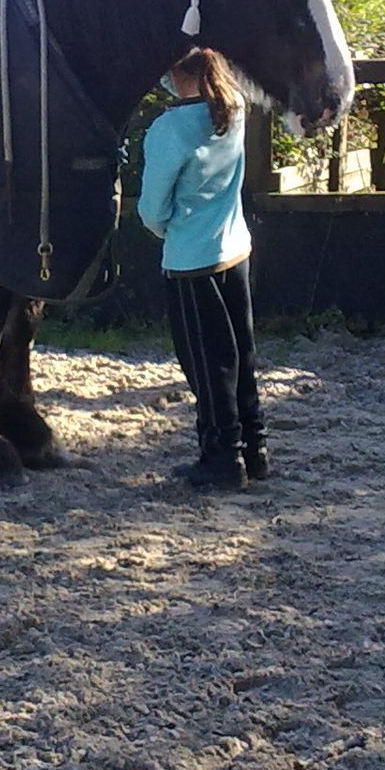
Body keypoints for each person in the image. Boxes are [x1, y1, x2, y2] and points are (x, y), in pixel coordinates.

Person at [137, 48, 268, 491]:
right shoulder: (234, 109)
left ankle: (222, 457)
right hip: (235, 246)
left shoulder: (169, 128)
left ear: (176, 72)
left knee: (206, 365)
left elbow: (153, 206)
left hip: (191, 258)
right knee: (240, 354)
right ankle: (254, 446)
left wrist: (164, 229)